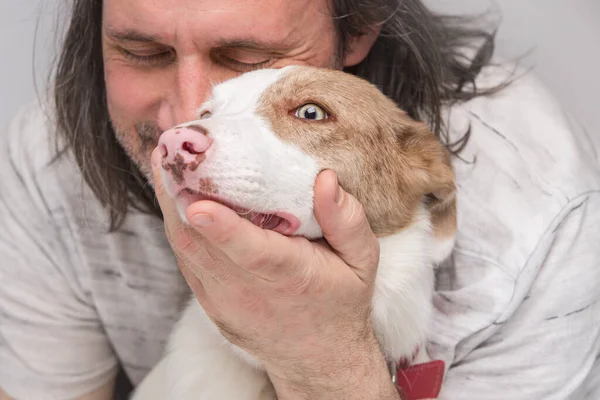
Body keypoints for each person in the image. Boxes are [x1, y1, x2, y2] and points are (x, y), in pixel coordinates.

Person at [1, 0, 599, 399]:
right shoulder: (45, 157)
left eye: (248, 61)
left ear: (359, 28)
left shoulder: (541, 209)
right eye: (142, 52)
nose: (187, 120)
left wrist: (324, 358)